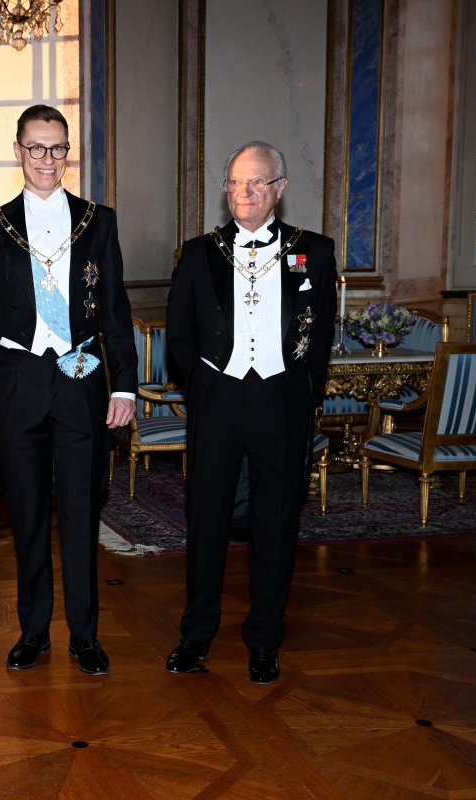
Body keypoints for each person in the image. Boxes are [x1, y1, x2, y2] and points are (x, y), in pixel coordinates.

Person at [0, 105, 138, 676]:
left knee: (83, 511)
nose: (47, 160)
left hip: (82, 377)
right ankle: (33, 631)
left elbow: (115, 309)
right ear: (18, 150)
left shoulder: (98, 221)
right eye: (36, 148)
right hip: (16, 384)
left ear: (68, 153)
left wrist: (126, 387)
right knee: (30, 512)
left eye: (57, 149)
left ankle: (85, 634)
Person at [164, 141, 337, 684]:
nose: (244, 192)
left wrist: (299, 392)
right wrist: (206, 390)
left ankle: (264, 639)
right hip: (218, 396)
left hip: (282, 400)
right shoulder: (197, 253)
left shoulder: (315, 250)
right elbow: (180, 337)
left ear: (279, 189)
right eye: (236, 182)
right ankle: (196, 634)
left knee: (276, 522)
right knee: (207, 520)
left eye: (257, 182)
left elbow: (322, 333)